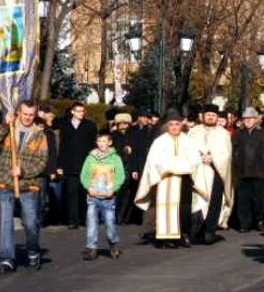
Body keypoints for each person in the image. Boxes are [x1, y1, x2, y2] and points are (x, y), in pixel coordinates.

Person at [0, 100, 49, 274]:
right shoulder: (9, 128)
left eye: (31, 114)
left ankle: (33, 250)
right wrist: (5, 126)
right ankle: (7, 258)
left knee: (30, 223)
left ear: (34, 115)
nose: (28, 118)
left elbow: (42, 162)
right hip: (5, 183)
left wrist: (23, 171)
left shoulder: (39, 135)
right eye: (25, 114)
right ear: (19, 113)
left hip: (28, 186)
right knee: (5, 222)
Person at [135, 110, 197, 247]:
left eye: (177, 124)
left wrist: (175, 165)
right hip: (164, 180)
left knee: (184, 208)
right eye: (171, 125)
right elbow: (154, 162)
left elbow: (194, 160)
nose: (174, 127)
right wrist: (173, 165)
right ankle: (164, 238)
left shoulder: (188, 141)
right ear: (167, 126)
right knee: (164, 208)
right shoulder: (159, 142)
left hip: (184, 179)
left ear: (182, 125)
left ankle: (183, 235)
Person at [188, 104, 232, 244]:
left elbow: (226, 154)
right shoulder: (194, 131)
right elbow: (187, 150)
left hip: (216, 172)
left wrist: (213, 158)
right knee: (197, 201)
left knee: (214, 202)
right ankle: (196, 230)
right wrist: (198, 158)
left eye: (213, 115)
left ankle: (210, 230)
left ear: (217, 117)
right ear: (203, 116)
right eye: (208, 115)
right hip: (197, 173)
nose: (210, 117)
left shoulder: (223, 133)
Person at [80, 131, 126, 260]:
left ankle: (113, 244)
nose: (102, 144)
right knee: (91, 222)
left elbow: (120, 175)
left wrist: (114, 189)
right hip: (93, 197)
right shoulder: (90, 158)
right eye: (99, 141)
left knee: (110, 222)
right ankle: (91, 248)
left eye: (104, 141)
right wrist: (88, 188)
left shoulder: (115, 158)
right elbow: (84, 175)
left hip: (108, 197)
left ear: (110, 142)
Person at [58, 102, 97, 229]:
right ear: (72, 112)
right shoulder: (65, 126)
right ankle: (73, 220)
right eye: (78, 111)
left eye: (82, 111)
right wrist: (60, 165)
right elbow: (62, 147)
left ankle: (86, 219)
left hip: (86, 165)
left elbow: (93, 146)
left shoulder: (90, 125)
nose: (81, 113)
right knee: (71, 193)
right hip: (70, 165)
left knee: (85, 193)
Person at [232, 107, 264, 233]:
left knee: (260, 198)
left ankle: (260, 221)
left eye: (250, 118)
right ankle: (244, 223)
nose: (248, 120)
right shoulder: (237, 134)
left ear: (256, 119)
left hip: (259, 170)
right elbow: (233, 152)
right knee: (243, 198)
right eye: (245, 118)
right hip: (242, 170)